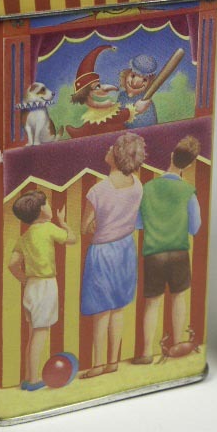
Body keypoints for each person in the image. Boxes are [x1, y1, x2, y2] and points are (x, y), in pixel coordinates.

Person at [80, 132, 146, 378]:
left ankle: (98, 365)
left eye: (112, 147)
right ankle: (113, 361)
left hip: (103, 252)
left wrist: (95, 223)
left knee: (101, 312)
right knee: (118, 308)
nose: (108, 149)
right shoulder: (137, 185)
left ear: (116, 156)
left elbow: (84, 227)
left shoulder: (98, 190)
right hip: (126, 249)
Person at [132, 136, 201, 365]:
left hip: (154, 253)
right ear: (189, 165)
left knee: (152, 302)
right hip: (179, 252)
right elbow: (195, 227)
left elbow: (138, 224)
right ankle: (177, 344)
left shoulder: (147, 188)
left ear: (171, 156)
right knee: (178, 298)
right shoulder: (188, 191)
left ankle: (146, 352)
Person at [8, 190, 76, 391]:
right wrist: (63, 222)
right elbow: (72, 239)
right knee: (40, 334)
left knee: (33, 335)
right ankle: (33, 380)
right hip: (46, 286)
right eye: (46, 203)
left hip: (31, 287)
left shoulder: (24, 237)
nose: (49, 206)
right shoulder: (48, 228)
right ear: (40, 210)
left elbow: (12, 264)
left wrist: (24, 280)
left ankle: (28, 377)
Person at [117, 54, 158, 128]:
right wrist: (135, 109)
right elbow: (117, 118)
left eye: (144, 80)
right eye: (133, 76)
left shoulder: (145, 101)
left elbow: (150, 125)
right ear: (126, 75)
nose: (135, 83)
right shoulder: (122, 96)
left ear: (149, 83)